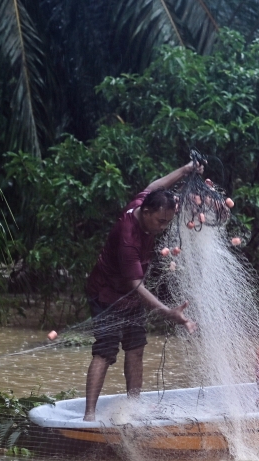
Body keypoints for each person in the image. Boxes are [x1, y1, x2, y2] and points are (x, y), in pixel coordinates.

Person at [82, 160, 202, 421]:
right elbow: (135, 285)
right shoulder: (128, 237)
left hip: (130, 298)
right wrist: (167, 312)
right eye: (160, 221)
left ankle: (133, 407)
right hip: (107, 295)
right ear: (147, 212)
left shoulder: (144, 203)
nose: (162, 227)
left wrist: (185, 169)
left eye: (167, 222)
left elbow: (156, 185)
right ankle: (89, 415)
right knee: (105, 351)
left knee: (136, 348)